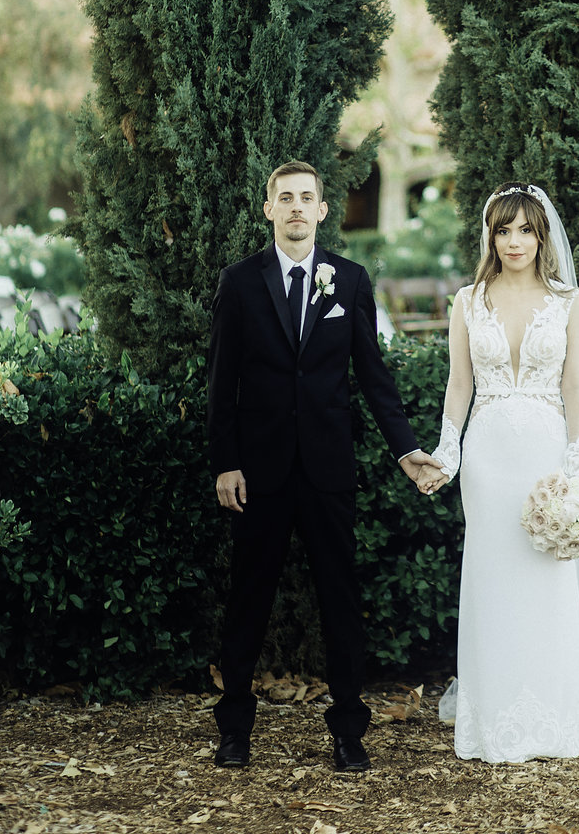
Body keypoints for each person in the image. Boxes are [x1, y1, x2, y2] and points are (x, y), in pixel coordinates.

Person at [207, 160, 441, 773]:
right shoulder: (240, 282)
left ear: (321, 211)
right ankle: (233, 729)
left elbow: (373, 376)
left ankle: (348, 734)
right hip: (258, 473)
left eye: (305, 198)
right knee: (247, 602)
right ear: (268, 209)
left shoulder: (351, 281)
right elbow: (221, 383)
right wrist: (226, 463)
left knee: (340, 602)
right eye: (284, 198)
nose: (295, 208)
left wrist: (405, 449)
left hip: (328, 471)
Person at [417, 182, 579, 763]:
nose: (514, 241)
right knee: (491, 578)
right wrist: (448, 455)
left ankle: (552, 721)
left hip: (545, 456)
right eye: (503, 229)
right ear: (490, 235)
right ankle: (493, 722)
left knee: (546, 580)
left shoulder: (567, 301)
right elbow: (460, 386)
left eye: (525, 229)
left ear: (542, 235)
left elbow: (574, 384)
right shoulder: (467, 301)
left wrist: (576, 463)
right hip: (487, 458)